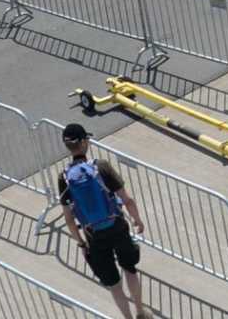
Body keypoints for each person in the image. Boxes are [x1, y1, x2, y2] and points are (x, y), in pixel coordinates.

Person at [57, 122, 154, 319]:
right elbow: (127, 200)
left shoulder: (64, 178)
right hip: (117, 227)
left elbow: (68, 218)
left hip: (94, 236)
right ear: (84, 142)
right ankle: (140, 313)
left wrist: (81, 243)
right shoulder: (101, 167)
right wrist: (137, 220)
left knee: (113, 284)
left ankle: (127, 317)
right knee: (130, 270)